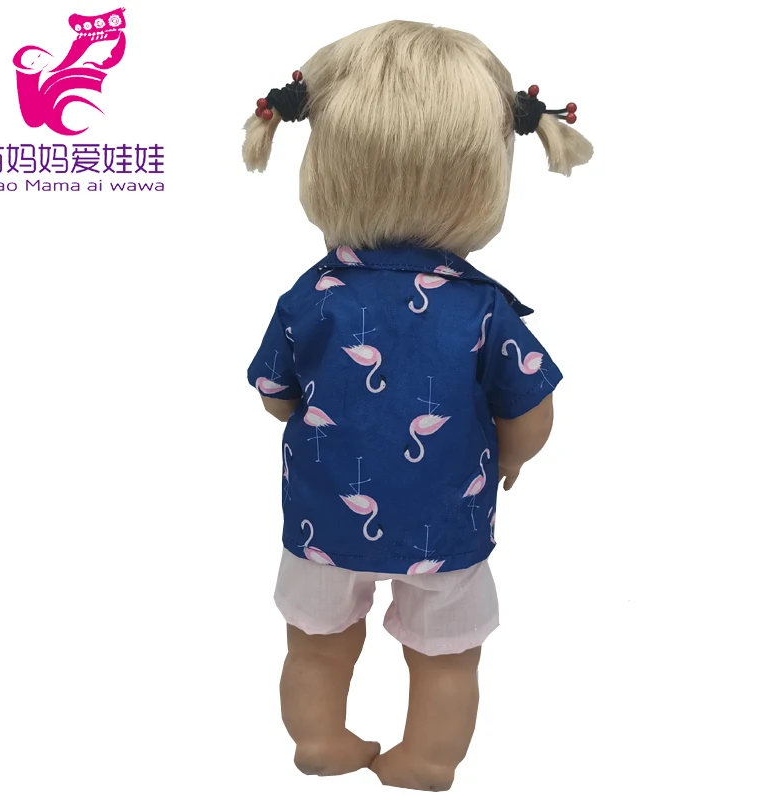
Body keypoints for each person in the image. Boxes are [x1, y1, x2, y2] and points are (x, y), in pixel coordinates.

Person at [243, 20, 592, 791]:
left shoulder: (312, 296)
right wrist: (511, 458)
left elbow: (275, 395)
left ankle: (319, 741)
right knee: (447, 655)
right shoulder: (480, 308)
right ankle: (429, 759)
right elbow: (532, 411)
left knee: (315, 643)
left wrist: (319, 424)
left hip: (322, 521)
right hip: (446, 520)